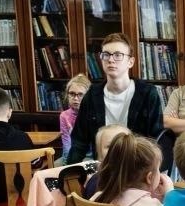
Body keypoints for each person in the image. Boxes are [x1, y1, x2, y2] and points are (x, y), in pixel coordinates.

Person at [65, 32, 163, 164]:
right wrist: (70, 172)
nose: (111, 60)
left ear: (130, 62)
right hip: (103, 167)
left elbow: (155, 140)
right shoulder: (92, 95)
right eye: (106, 54)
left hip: (137, 165)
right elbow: (79, 142)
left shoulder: (147, 94)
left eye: (118, 55)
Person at [83, 123, 131, 199]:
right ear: (100, 152)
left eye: (122, 144)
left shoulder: (139, 176)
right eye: (109, 146)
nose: (116, 149)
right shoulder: (95, 182)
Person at [59, 72, 90, 160]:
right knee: (56, 165)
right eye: (72, 94)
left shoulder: (92, 114)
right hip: (71, 154)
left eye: (80, 94)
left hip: (89, 155)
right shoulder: (64, 116)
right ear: (67, 95)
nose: (75, 98)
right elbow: (66, 143)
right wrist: (68, 162)